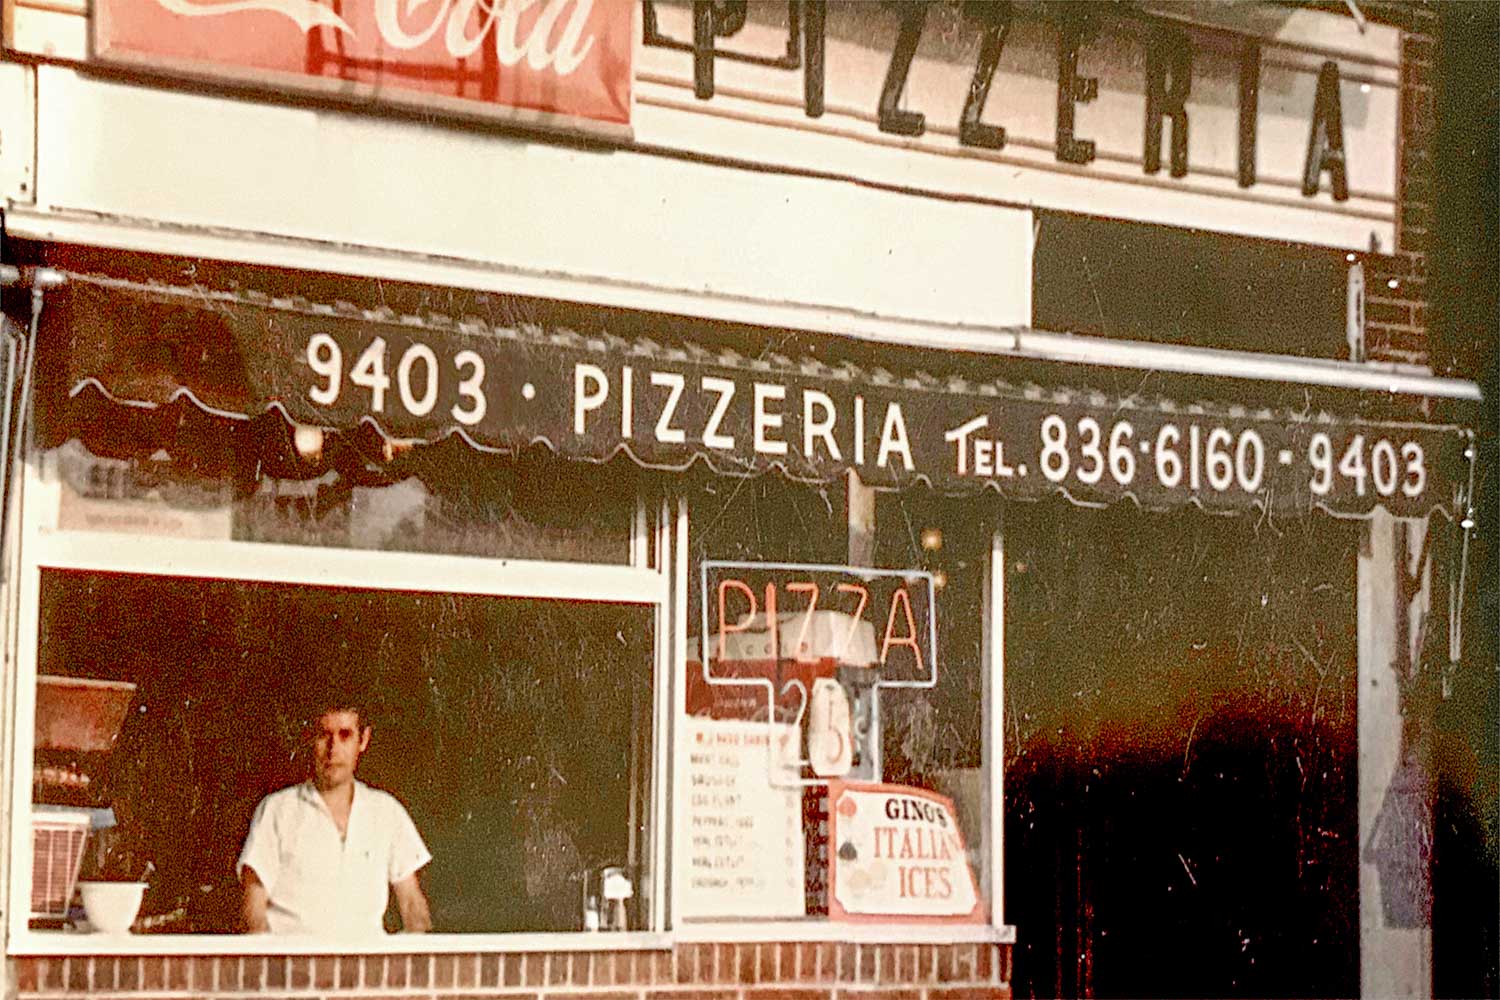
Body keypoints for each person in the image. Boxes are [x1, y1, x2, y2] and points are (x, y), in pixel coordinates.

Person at [237, 700, 432, 935]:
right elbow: (254, 911)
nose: (333, 749)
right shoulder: (277, 810)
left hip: (367, 968)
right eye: (324, 735)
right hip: (292, 967)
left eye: (345, 735)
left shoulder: (387, 812)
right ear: (310, 739)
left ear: (364, 740)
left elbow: (413, 906)